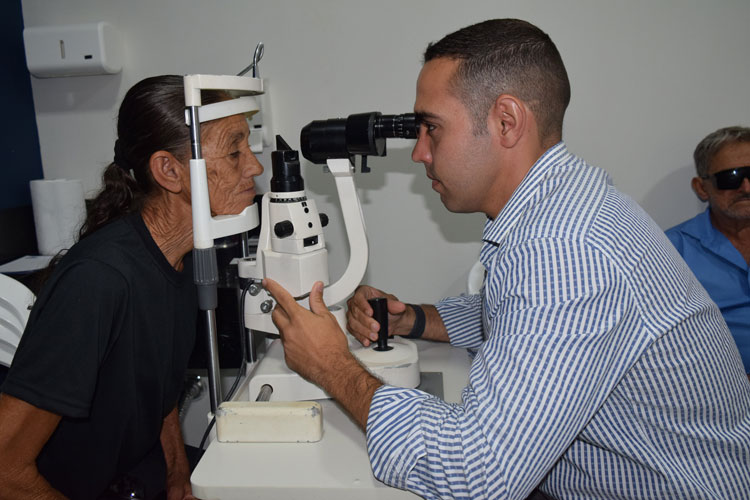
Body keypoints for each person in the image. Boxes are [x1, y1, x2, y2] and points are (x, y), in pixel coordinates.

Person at [263, 19, 750, 500]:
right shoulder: (564, 209)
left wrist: (331, 364)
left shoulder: (565, 250)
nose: (419, 153)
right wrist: (414, 318)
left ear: (506, 122)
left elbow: (476, 476)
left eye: (432, 127)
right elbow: (518, 315)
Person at [0, 75, 263, 499]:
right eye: (234, 151)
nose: (254, 166)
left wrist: (178, 479)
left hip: (135, 476)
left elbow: (159, 398)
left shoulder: (179, 259)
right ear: (170, 171)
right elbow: (4, 467)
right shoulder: (99, 280)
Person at [666, 126, 750, 377]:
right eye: (731, 177)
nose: (746, 187)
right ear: (702, 188)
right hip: (719, 395)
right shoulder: (672, 251)